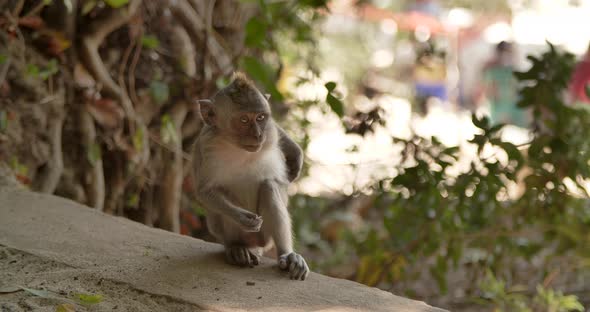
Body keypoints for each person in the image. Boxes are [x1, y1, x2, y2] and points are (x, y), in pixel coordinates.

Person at [477, 41, 527, 128]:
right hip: (499, 111)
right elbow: (489, 91)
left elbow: (516, 89)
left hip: (510, 112)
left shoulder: (511, 71)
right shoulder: (492, 71)